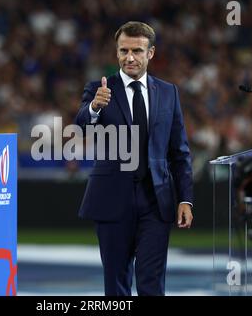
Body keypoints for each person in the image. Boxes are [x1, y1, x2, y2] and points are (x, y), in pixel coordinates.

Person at [75, 21, 193, 296]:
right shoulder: (100, 89)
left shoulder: (168, 92)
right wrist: (94, 107)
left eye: (137, 51)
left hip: (157, 201)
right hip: (112, 199)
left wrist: (185, 199)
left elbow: (180, 151)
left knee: (152, 281)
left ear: (150, 53)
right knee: (116, 283)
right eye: (124, 50)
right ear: (116, 52)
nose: (130, 57)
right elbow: (81, 124)